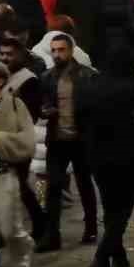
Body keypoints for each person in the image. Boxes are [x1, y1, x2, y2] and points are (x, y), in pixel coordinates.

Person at [78, 47, 134, 267]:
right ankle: (102, 256)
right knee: (123, 209)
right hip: (125, 155)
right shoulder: (133, 88)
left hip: (96, 153)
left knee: (109, 206)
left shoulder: (89, 85)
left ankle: (119, 255)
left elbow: (79, 116)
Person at [35, 33, 97, 252]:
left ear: (71, 50)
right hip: (57, 139)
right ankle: (52, 234)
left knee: (84, 184)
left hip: (80, 139)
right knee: (53, 187)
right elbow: (41, 106)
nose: (57, 54)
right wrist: (45, 111)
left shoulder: (88, 76)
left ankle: (91, 227)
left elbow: (94, 109)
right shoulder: (47, 78)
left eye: (61, 50)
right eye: (54, 50)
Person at [0, 59, 36, 267]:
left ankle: (23, 252)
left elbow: (27, 143)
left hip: (4, 174)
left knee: (9, 228)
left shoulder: (14, 105)